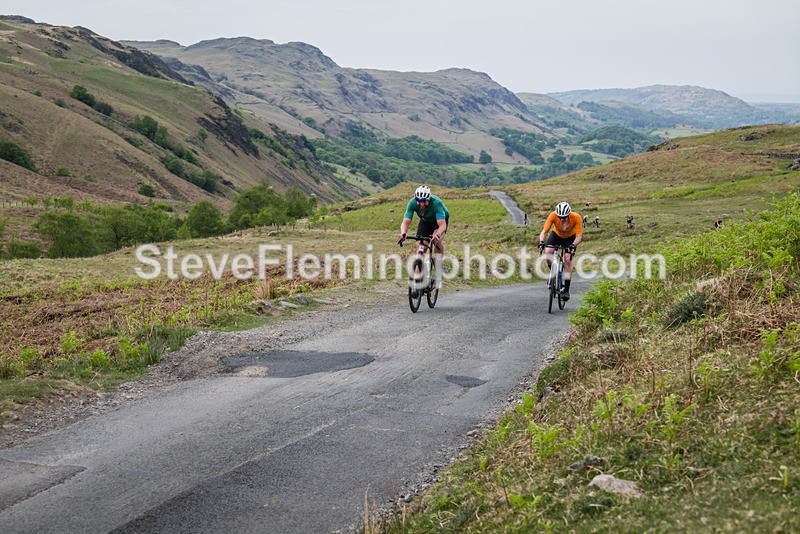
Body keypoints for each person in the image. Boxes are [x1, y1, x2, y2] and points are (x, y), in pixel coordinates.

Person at [398, 186, 450, 295]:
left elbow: (442, 225)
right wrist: (403, 233)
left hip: (439, 222)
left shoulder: (436, 203)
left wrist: (437, 235)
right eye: (419, 201)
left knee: (436, 241)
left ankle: (439, 266)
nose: (421, 204)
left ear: (428, 199)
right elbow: (406, 222)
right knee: (420, 246)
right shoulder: (412, 203)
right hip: (425, 222)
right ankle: (418, 281)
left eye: (424, 202)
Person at [538, 201, 582, 301]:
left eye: (564, 217)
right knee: (548, 252)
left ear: (569, 214)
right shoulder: (553, 215)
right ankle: (553, 273)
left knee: (567, 260)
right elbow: (544, 231)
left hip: (570, 238)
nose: (562, 219)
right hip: (556, 235)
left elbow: (579, 236)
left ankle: (566, 289)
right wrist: (541, 242)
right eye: (560, 217)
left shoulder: (576, 217)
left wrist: (573, 245)